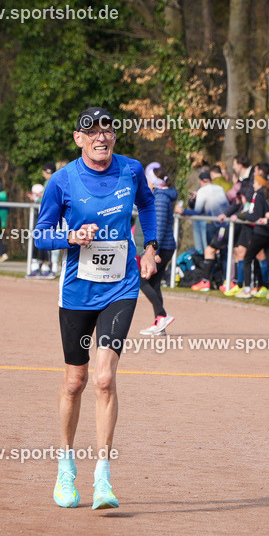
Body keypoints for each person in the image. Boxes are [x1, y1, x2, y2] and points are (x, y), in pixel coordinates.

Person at [34, 106, 157, 510]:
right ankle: (65, 466)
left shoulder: (132, 170)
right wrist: (71, 236)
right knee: (76, 381)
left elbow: (149, 205)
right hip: (76, 293)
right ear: (78, 138)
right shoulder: (62, 181)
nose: (101, 137)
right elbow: (40, 236)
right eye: (93, 131)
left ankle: (103, 476)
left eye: (108, 130)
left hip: (120, 287)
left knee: (105, 379)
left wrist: (152, 247)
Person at [138, 167, 176, 334]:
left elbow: (158, 227)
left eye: (147, 179)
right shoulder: (162, 196)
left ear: (153, 182)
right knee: (154, 283)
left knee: (142, 281)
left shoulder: (160, 199)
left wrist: (154, 252)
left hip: (162, 248)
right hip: (165, 247)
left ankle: (162, 315)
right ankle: (160, 325)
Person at [178, 170, 229, 291]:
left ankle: (207, 280)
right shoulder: (219, 188)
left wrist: (183, 211)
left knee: (209, 251)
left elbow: (198, 211)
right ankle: (224, 281)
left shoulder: (202, 190)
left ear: (200, 181)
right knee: (224, 253)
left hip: (212, 225)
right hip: (225, 225)